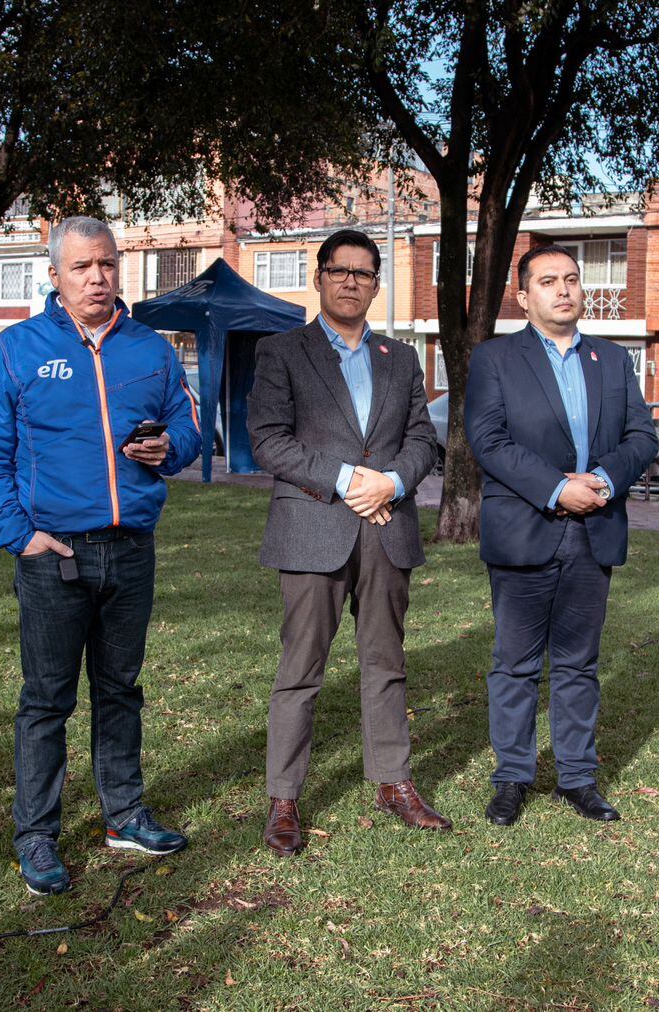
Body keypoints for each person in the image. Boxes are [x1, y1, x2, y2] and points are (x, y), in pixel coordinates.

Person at [0, 216, 203, 894]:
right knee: (46, 701)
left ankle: (124, 814)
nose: (97, 278)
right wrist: (19, 536)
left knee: (121, 690)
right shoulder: (13, 352)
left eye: (106, 264)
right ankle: (36, 836)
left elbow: (189, 424)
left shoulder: (151, 349)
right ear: (55, 277)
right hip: (53, 556)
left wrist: (169, 449)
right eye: (81, 268)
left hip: (131, 550)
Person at [247, 228, 447, 856]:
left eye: (364, 273)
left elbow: (422, 440)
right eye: (340, 270)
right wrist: (345, 481)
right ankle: (284, 797)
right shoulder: (282, 352)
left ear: (376, 283)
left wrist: (389, 482)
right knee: (300, 668)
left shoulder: (401, 358)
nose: (351, 282)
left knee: (386, 662)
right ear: (320, 276)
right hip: (312, 527)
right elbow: (269, 440)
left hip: (387, 529)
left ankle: (393, 781)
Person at [464, 244, 659, 826]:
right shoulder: (495, 360)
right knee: (515, 664)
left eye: (571, 279)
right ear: (524, 296)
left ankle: (577, 777)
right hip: (527, 528)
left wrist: (600, 480)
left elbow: (643, 437)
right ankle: (512, 777)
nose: (564, 289)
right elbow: (488, 440)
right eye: (548, 281)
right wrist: (555, 489)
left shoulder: (613, 360)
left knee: (579, 664)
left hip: (593, 529)